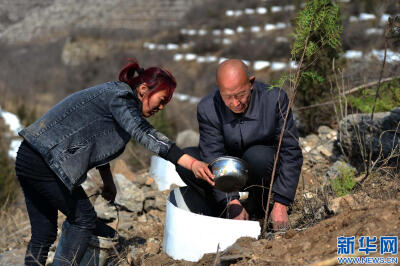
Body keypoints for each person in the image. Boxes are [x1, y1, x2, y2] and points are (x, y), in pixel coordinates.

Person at [15, 59, 214, 266]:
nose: (161, 107)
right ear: (144, 89)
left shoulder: (114, 95)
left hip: (28, 156)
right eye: (161, 100)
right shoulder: (121, 98)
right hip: (46, 163)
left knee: (44, 232)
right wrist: (191, 163)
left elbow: (95, 142)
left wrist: (107, 180)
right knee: (83, 220)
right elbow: (144, 133)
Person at [176, 59, 303, 230]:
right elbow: (213, 155)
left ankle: (260, 206)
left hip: (262, 169)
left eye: (241, 95)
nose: (236, 103)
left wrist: (282, 203)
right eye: (227, 97)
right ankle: (223, 210)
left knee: (258, 156)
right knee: (188, 162)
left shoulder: (274, 99)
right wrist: (231, 201)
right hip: (228, 173)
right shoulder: (207, 108)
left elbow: (290, 151)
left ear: (251, 83)